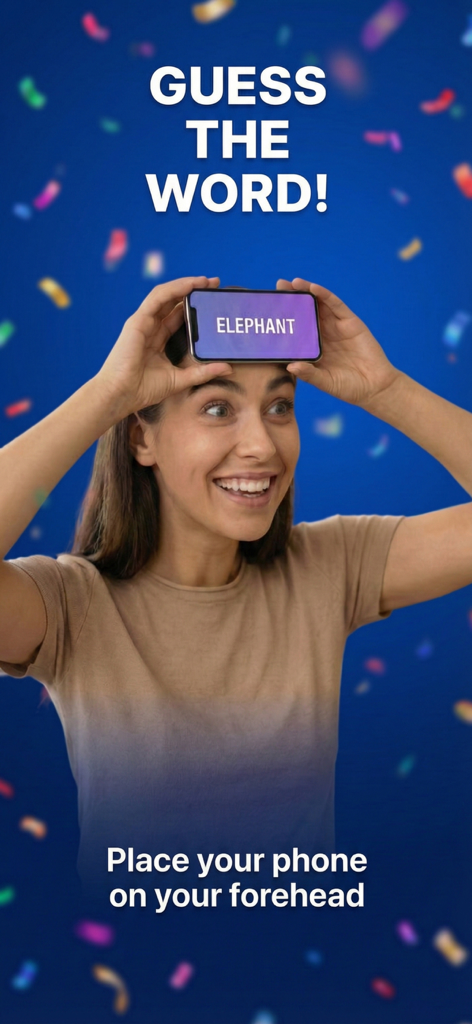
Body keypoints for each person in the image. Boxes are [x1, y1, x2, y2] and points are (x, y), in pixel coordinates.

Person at [1, 275, 471, 890]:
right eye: (217, 408)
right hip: (137, 964)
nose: (261, 445)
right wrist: (109, 393)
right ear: (143, 436)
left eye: (279, 407)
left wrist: (386, 390)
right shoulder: (71, 606)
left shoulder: (328, 567)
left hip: (302, 959)